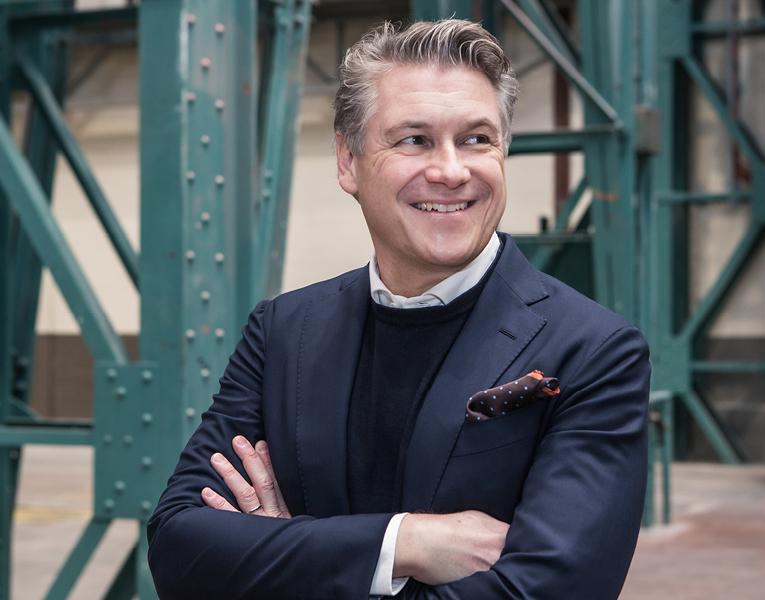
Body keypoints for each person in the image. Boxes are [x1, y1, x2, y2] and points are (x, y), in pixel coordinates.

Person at [147, 19, 651, 599]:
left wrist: (283, 558)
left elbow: (551, 590)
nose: (451, 171)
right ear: (348, 161)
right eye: (414, 140)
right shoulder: (283, 332)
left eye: (476, 139)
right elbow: (179, 549)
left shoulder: (594, 351)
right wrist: (403, 542)